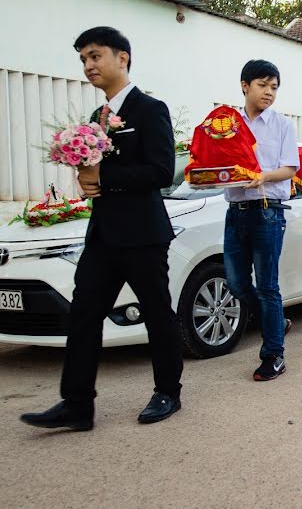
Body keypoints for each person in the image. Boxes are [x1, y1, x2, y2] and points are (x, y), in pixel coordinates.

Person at [22, 27, 182, 430]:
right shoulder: (97, 119)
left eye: (94, 56)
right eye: (83, 60)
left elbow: (162, 170)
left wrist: (104, 178)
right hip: (103, 235)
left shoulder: (150, 109)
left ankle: (168, 392)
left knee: (157, 313)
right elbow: (96, 168)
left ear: (122, 57)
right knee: (84, 315)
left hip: (143, 234)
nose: (88, 66)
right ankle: (77, 404)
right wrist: (85, 179)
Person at [223, 60, 299, 381]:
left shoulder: (282, 125)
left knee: (268, 286)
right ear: (245, 85)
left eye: (274, 87)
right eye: (263, 85)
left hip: (269, 210)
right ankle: (276, 322)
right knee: (237, 282)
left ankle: (274, 354)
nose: (269, 92)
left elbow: (290, 168)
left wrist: (261, 176)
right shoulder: (228, 123)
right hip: (235, 212)